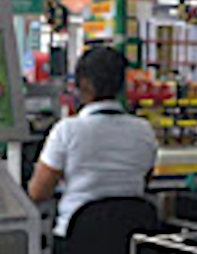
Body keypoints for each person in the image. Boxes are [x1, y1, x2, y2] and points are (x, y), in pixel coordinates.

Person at [27, 46, 158, 239]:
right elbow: (143, 179)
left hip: (76, 245)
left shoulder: (67, 130)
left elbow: (38, 193)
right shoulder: (144, 130)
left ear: (84, 84)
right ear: (122, 86)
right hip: (130, 246)